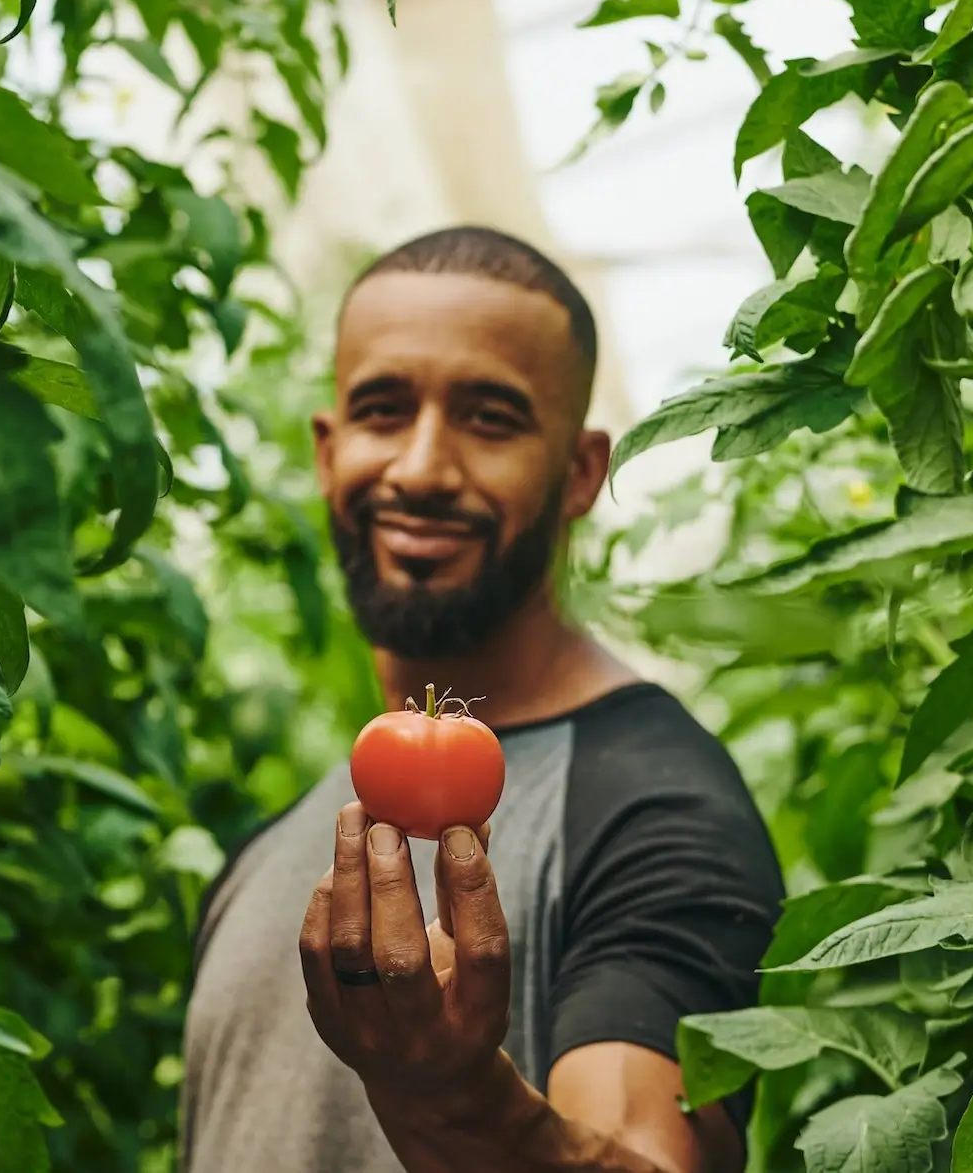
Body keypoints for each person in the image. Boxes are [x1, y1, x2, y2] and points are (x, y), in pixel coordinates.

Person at [178, 226, 786, 1173]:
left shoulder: (654, 809)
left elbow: (651, 1154)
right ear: (328, 450)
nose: (421, 468)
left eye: (490, 418)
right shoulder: (269, 850)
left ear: (581, 472)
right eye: (383, 409)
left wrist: (450, 1094)